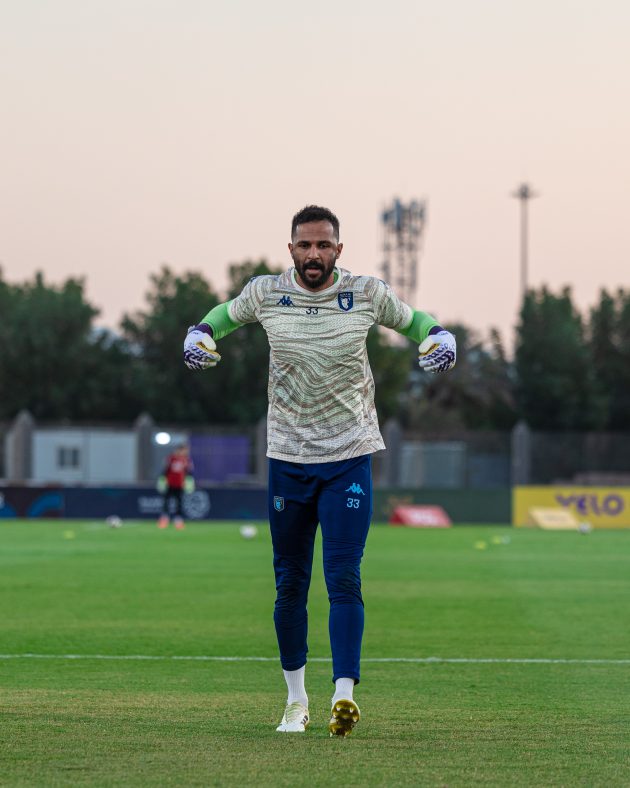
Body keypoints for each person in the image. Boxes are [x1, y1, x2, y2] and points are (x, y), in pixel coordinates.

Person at [183, 205, 456, 736]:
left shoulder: (365, 292)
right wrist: (200, 334)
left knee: (344, 577)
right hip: (288, 459)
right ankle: (295, 702)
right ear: (291, 249)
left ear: (338, 249)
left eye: (323, 245)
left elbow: (413, 320)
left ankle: (343, 696)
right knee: (290, 583)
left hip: (348, 456)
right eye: (305, 245)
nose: (314, 255)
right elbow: (224, 314)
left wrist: (439, 336)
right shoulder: (266, 292)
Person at [157, 444, 194, 530]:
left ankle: (178, 521)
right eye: (183, 450)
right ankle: (164, 519)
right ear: (179, 450)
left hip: (180, 485)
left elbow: (189, 473)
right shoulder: (171, 458)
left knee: (179, 503)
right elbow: (165, 471)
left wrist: (189, 483)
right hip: (169, 484)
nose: (185, 452)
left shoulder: (186, 460)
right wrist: (162, 481)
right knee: (166, 502)